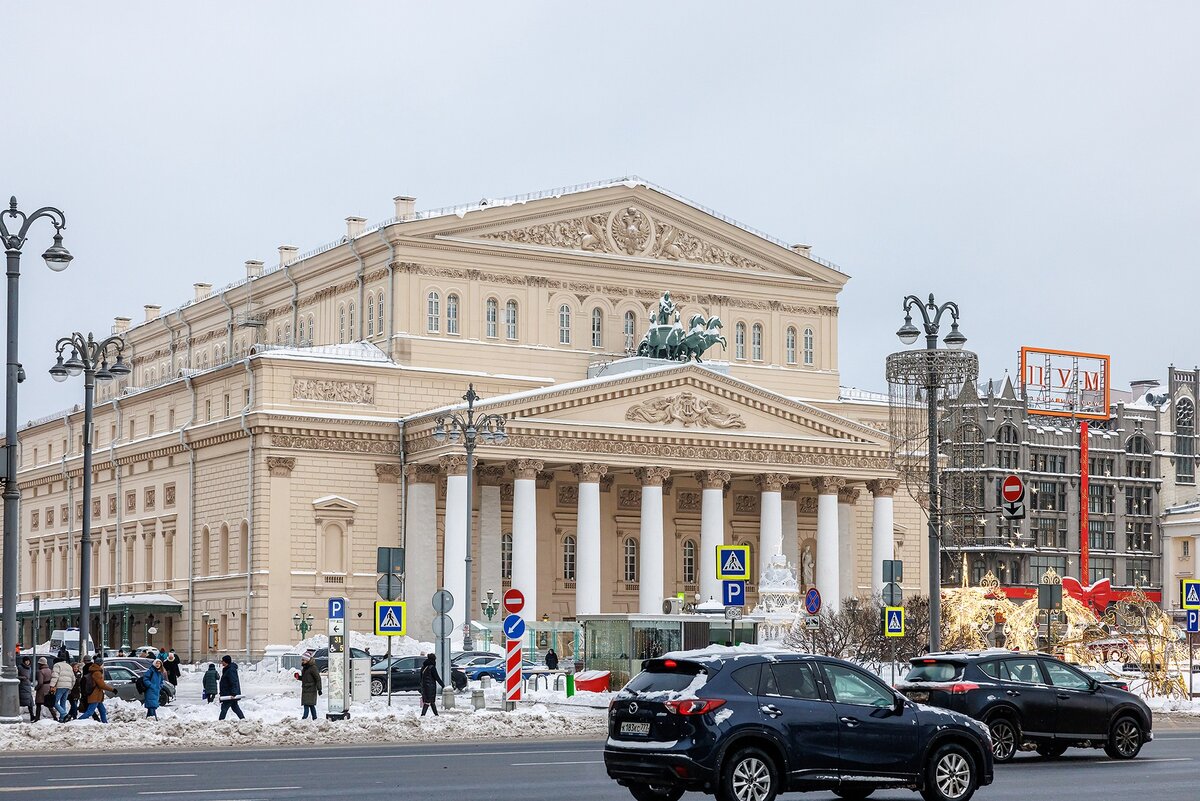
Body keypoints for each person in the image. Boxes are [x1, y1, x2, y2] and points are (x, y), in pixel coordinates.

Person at [75, 657, 113, 723]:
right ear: (100, 664)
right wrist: (112, 689)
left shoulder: (93, 670)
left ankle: (105, 723)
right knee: (90, 712)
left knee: (102, 710)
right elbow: (101, 685)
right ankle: (77, 722)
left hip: (97, 695)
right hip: (95, 695)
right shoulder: (97, 672)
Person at [218, 655, 245, 720]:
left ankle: (220, 722)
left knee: (224, 708)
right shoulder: (228, 669)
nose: (221, 663)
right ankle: (243, 719)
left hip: (229, 694)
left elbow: (233, 682)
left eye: (222, 661)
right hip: (229, 693)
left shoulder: (230, 670)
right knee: (235, 707)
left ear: (226, 662)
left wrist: (233, 693)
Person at [51, 651, 74, 721]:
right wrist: (71, 687)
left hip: (60, 686)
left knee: (54, 702)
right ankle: (62, 718)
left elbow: (55, 676)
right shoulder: (69, 666)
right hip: (68, 686)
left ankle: (64, 714)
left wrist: (52, 685)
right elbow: (73, 678)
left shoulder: (57, 665)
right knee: (63, 702)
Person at [297, 651, 321, 720]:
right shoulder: (305, 668)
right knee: (311, 705)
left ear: (307, 660)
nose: (302, 661)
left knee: (307, 705)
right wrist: (299, 677)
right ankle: (315, 718)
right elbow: (305, 678)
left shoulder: (313, 668)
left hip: (311, 689)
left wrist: (319, 689)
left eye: (303, 660)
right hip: (306, 689)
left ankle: (304, 718)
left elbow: (318, 678)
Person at [34, 657, 55, 721]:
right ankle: (55, 717)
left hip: (42, 689)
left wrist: (36, 688)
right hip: (48, 687)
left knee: (38, 704)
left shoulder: (40, 671)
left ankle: (37, 718)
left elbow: (40, 682)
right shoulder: (50, 670)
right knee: (49, 704)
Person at [17, 656, 35, 721]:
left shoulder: (29, 668)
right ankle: (16, 714)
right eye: (26, 661)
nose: (27, 662)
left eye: (28, 661)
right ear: (24, 661)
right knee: (20, 701)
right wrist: (22, 678)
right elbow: (16, 676)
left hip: (28, 686)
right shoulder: (20, 667)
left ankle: (32, 715)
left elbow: (29, 676)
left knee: (30, 702)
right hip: (22, 687)